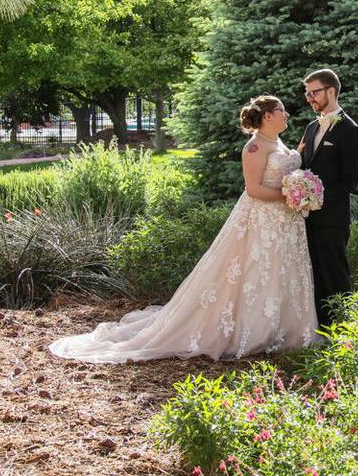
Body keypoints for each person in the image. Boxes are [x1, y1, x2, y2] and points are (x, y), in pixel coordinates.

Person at [49, 96, 318, 363]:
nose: (287, 114)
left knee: (278, 270)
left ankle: (280, 330)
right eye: (282, 110)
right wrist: (289, 194)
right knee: (256, 270)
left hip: (285, 222)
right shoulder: (254, 148)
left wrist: (298, 182)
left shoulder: (276, 142)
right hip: (262, 220)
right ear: (268, 116)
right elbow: (254, 189)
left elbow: (280, 169)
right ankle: (253, 332)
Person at [298, 69, 358, 326]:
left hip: (333, 218)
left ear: (331, 91)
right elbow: (304, 167)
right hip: (305, 218)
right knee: (313, 276)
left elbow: (349, 182)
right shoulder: (311, 126)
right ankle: (318, 330)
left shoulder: (350, 129)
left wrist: (316, 198)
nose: (309, 98)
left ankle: (342, 331)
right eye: (307, 93)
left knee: (335, 275)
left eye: (314, 92)